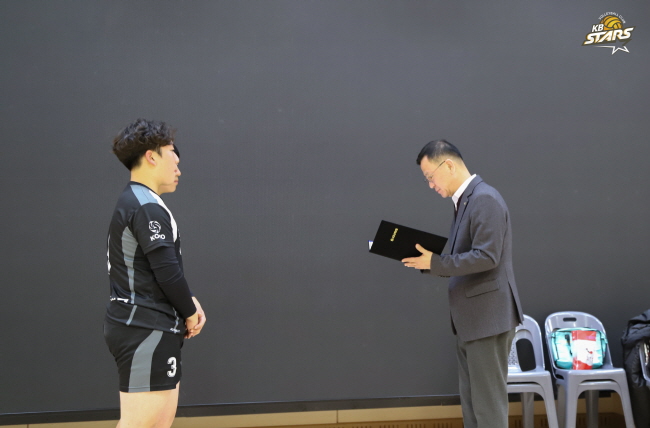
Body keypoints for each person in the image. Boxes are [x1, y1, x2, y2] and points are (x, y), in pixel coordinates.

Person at [402, 139, 523, 428]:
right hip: (473, 322)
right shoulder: (466, 201)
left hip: (487, 321)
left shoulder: (484, 199)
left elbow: (487, 256)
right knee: (473, 408)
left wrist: (436, 263)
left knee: (488, 410)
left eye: (430, 177)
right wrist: (430, 262)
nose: (430, 185)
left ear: (449, 165)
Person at [104, 118, 206, 428]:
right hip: (144, 327)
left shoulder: (140, 202)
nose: (178, 167)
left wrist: (188, 300)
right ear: (151, 156)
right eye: (173, 154)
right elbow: (167, 272)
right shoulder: (145, 206)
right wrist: (190, 311)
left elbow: (159, 269)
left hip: (151, 326)